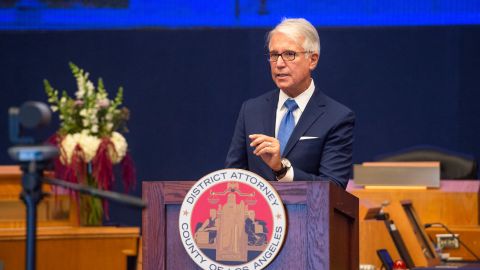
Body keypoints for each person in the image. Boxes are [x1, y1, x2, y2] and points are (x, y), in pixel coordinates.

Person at [225, 18, 355, 189]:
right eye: (274, 55)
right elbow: (233, 178)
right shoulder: (251, 110)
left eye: (289, 54)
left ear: (313, 60)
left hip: (309, 215)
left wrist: (282, 170)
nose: (279, 64)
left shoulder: (337, 117)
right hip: (257, 215)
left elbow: (334, 188)